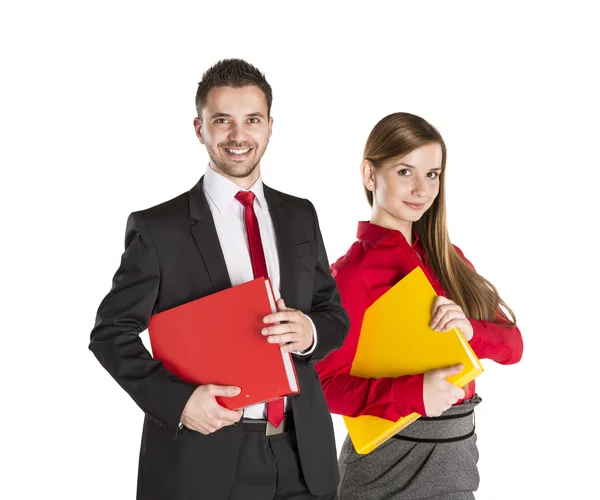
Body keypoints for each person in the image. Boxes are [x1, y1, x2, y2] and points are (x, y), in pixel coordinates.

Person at [89, 58, 350, 500]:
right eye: (222, 121)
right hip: (203, 457)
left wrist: (309, 331)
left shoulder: (300, 215)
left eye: (251, 120)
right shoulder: (159, 229)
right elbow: (110, 333)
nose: (238, 136)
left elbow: (333, 315)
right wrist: (179, 403)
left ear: (270, 126)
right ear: (199, 128)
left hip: (302, 453)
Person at [315, 112, 523, 500]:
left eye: (432, 174)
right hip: (388, 466)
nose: (422, 189)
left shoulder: (448, 258)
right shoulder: (350, 274)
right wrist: (412, 394)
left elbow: (514, 348)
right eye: (405, 171)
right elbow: (323, 385)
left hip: (458, 457)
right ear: (369, 174)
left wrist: (472, 331)